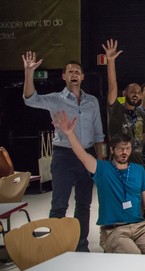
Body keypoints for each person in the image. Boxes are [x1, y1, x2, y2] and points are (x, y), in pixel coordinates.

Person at [53, 111, 145, 255]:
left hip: (139, 226)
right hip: (114, 230)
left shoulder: (138, 170)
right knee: (135, 257)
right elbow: (82, 156)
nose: (124, 152)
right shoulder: (102, 168)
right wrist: (70, 134)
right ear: (112, 150)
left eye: (127, 148)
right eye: (120, 149)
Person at [22, 51, 104, 252]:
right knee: (59, 204)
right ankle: (56, 246)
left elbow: (98, 133)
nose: (74, 74)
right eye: (70, 71)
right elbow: (30, 99)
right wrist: (29, 72)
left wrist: (101, 161)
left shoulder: (91, 101)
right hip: (63, 155)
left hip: (87, 155)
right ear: (64, 77)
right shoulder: (56, 99)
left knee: (84, 205)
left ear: (83, 77)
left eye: (77, 71)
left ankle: (80, 245)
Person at [104, 39, 145, 166]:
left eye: (138, 92)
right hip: (117, 164)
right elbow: (112, 86)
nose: (136, 94)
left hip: (137, 164)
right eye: (132, 91)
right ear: (124, 93)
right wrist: (111, 61)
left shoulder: (142, 114)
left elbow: (144, 139)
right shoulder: (116, 109)